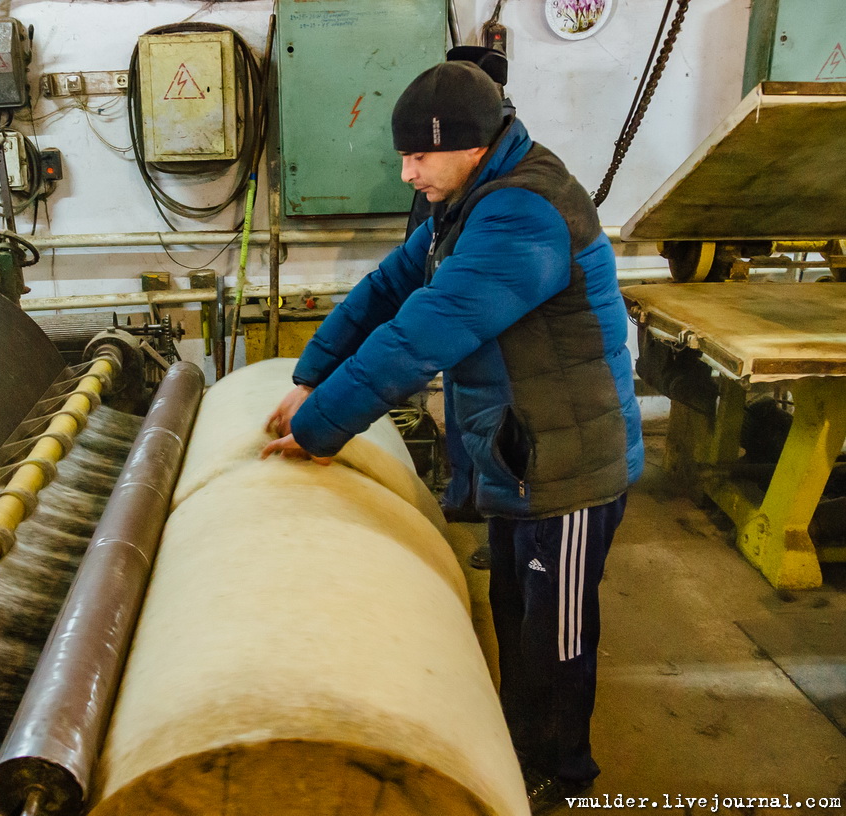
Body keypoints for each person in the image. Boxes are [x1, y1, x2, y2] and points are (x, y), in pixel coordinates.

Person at [261, 60, 643, 814]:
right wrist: (311, 374)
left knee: (555, 638)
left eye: (418, 156)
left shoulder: (522, 214)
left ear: (470, 146)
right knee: (511, 609)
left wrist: (321, 427)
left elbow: (424, 333)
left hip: (565, 469)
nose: (407, 173)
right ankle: (513, 740)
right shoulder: (469, 202)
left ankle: (560, 773)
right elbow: (389, 289)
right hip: (518, 452)